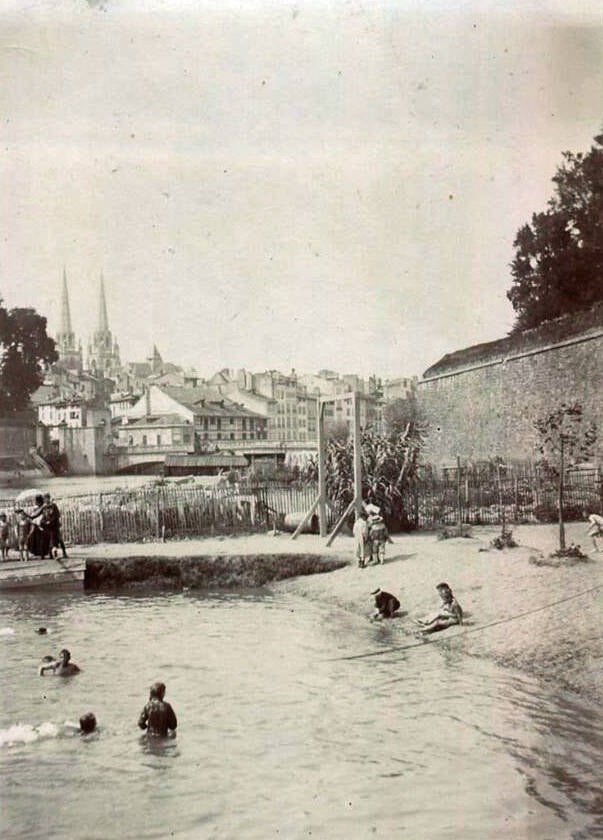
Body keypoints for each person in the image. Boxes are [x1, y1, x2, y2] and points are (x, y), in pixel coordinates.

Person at [43, 494, 68, 559]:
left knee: (59, 539)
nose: (46, 500)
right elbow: (44, 516)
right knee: (50, 540)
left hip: (55, 526)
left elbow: (57, 515)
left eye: (47, 498)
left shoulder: (53, 506)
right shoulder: (44, 507)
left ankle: (64, 552)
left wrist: (51, 521)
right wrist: (44, 521)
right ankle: (52, 555)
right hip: (48, 527)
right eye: (45, 499)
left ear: (49, 498)